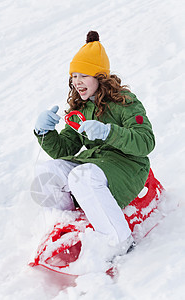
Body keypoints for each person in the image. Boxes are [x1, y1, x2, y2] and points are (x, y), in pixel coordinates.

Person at [34, 31, 155, 255]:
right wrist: (45, 132)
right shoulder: (80, 108)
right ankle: (68, 221)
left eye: (84, 75)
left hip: (128, 165)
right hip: (97, 164)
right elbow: (65, 149)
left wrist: (109, 132)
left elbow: (146, 142)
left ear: (100, 78)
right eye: (74, 76)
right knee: (46, 172)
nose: (77, 81)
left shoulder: (125, 102)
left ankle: (119, 241)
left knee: (83, 176)